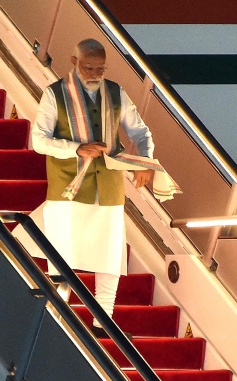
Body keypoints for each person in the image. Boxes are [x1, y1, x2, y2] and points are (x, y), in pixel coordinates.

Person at [30, 38, 154, 337]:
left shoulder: (115, 92)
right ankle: (56, 317)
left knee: (109, 255)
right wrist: (77, 148)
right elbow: (38, 140)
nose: (95, 73)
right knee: (61, 254)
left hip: (108, 184)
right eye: (89, 67)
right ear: (74, 62)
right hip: (67, 186)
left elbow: (140, 131)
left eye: (101, 68)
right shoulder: (54, 94)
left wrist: (146, 161)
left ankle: (103, 322)